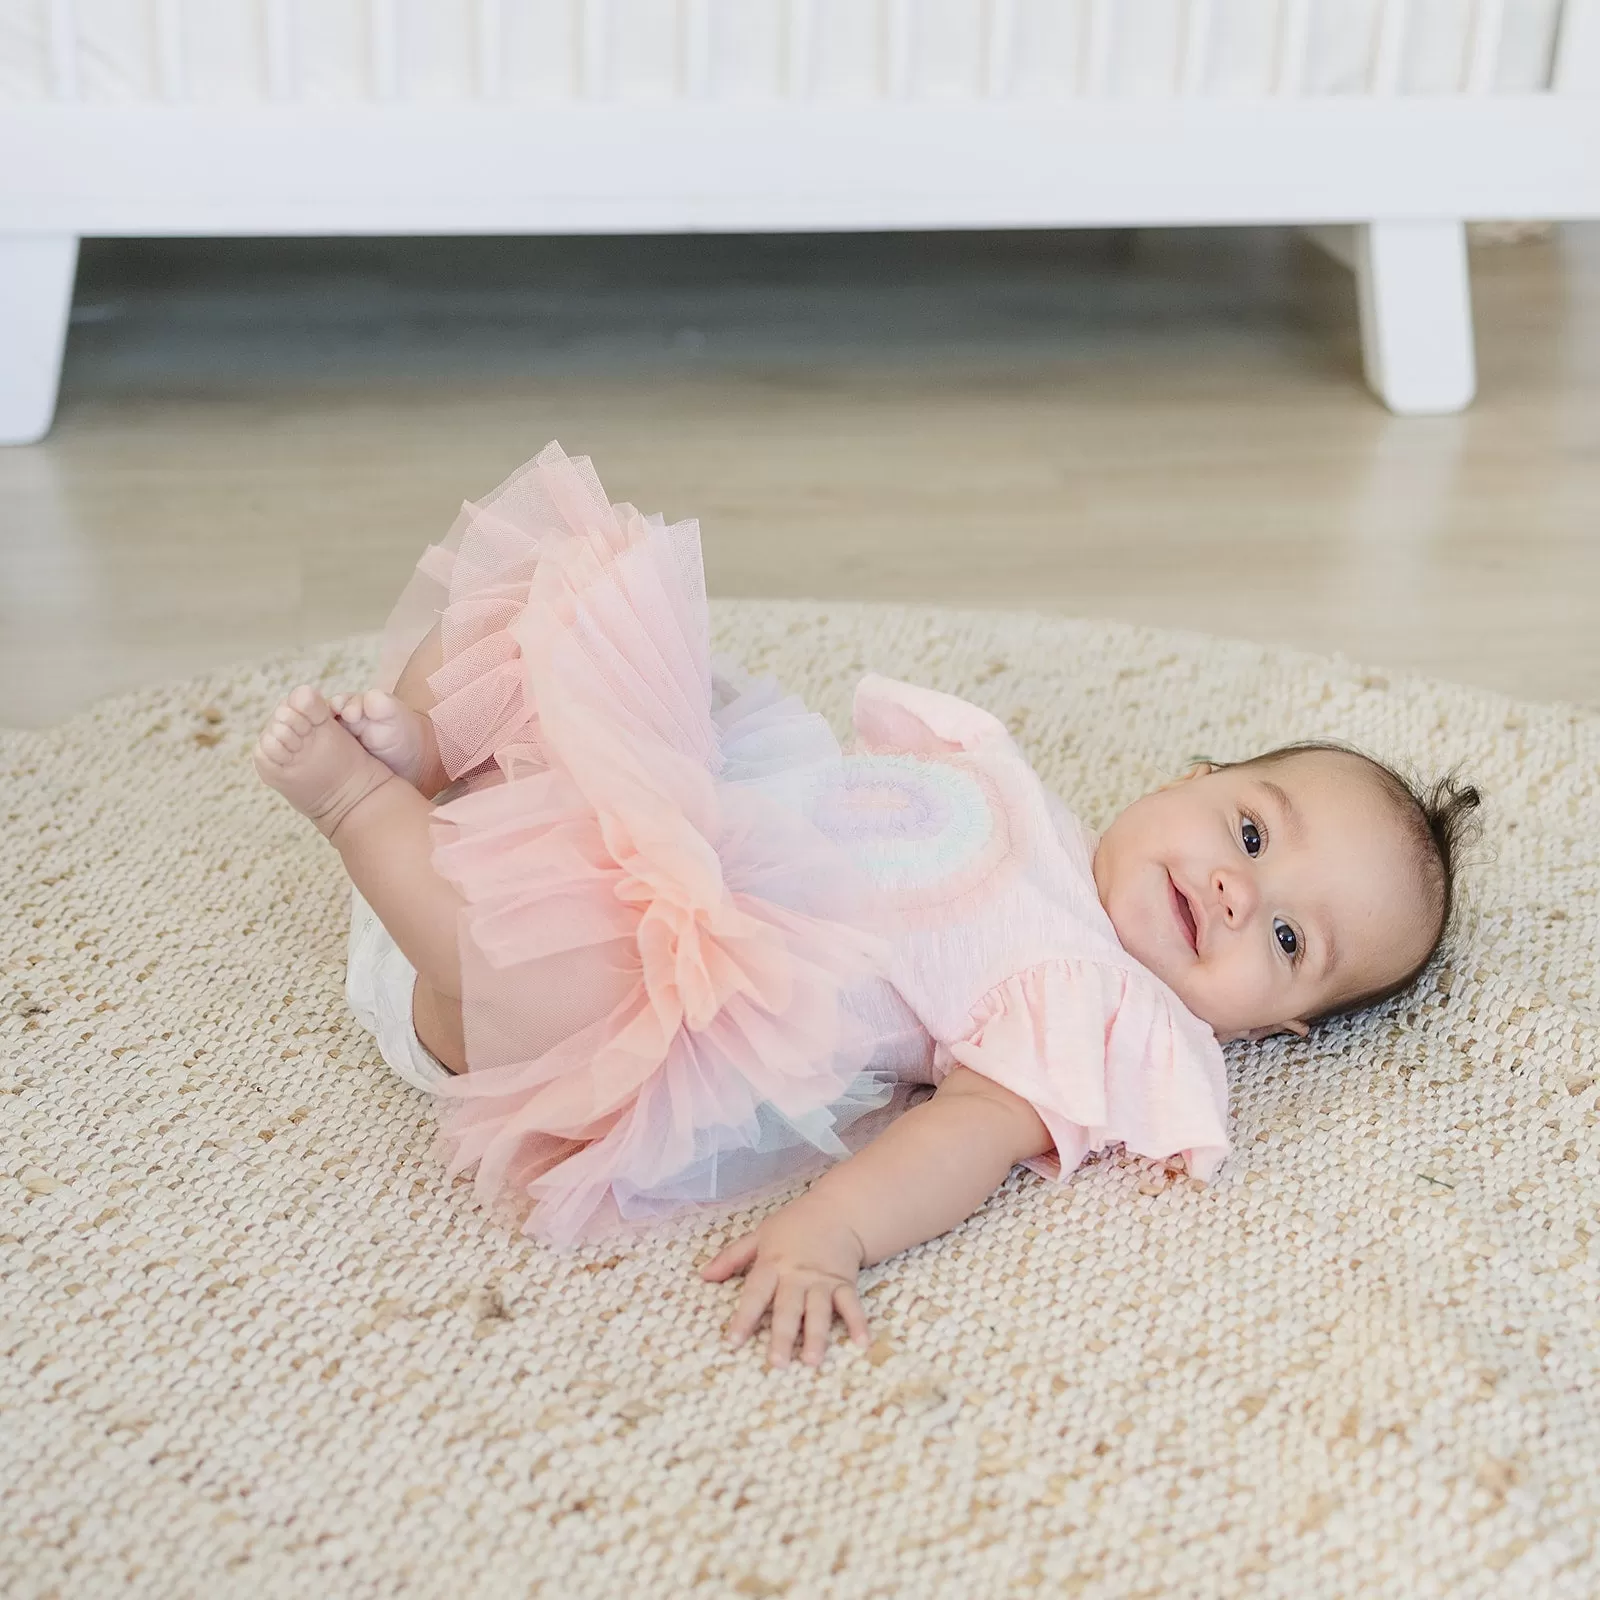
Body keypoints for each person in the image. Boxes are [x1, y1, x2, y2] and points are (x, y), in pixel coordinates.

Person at [253, 443, 1480, 1369]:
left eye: (1283, 937)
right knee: (567, 604)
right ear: (1192, 778)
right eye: (1252, 834)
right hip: (651, 817)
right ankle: (434, 755)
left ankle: (363, 810)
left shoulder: (1092, 1011)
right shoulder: (1017, 794)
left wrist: (829, 1234)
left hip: (581, 978)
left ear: (1274, 1031)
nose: (1233, 889)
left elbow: (957, 1142)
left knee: (584, 976)